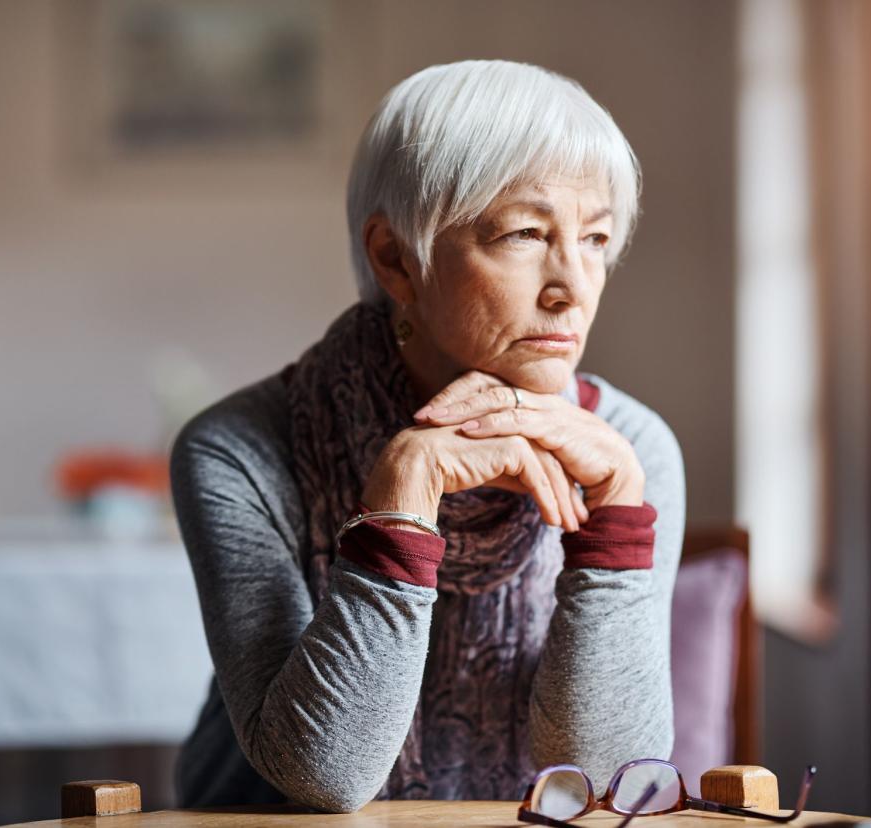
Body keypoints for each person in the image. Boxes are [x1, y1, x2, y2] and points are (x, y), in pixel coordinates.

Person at [170, 59, 685, 813]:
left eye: (597, 238)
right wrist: (403, 493)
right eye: (524, 233)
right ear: (395, 260)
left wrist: (615, 520)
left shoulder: (628, 452)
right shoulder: (239, 451)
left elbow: (608, 779)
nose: (573, 285)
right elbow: (325, 775)